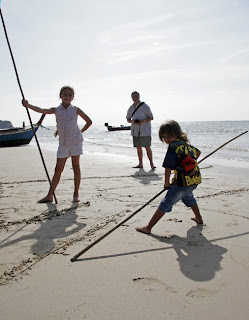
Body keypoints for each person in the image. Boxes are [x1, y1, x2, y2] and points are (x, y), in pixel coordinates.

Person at [22, 86, 92, 203]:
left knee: (76, 167)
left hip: (75, 142)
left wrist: (79, 132)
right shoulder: (56, 110)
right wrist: (28, 105)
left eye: (70, 95)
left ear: (73, 97)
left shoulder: (76, 110)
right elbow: (41, 110)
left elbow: (89, 121)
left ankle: (76, 194)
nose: (67, 96)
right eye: (65, 94)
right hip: (63, 144)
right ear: (60, 96)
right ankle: (50, 195)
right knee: (58, 169)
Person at [136, 120, 203, 234]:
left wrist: (166, 182)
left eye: (169, 136)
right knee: (189, 197)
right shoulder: (186, 144)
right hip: (194, 180)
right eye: (164, 137)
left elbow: (168, 167)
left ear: (177, 133)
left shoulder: (173, 147)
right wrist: (190, 162)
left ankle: (148, 227)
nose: (167, 140)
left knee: (166, 202)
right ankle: (199, 218)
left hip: (181, 183)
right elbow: (198, 153)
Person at [126, 91, 156, 169]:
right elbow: (128, 119)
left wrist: (143, 121)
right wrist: (133, 121)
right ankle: (140, 163)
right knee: (138, 147)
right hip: (135, 130)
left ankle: (151, 164)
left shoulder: (145, 106)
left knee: (147, 147)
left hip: (145, 130)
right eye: (133, 97)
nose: (134, 98)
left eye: (136, 96)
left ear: (139, 96)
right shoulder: (131, 107)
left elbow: (151, 117)